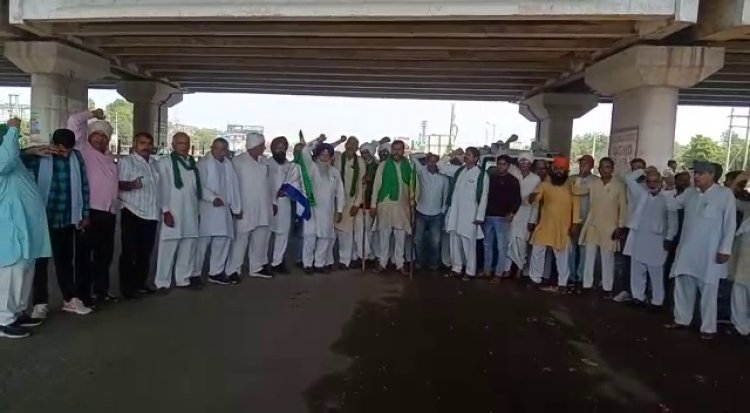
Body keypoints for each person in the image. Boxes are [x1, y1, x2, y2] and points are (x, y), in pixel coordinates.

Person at [22, 128, 92, 316]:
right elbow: (12, 160)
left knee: (65, 261)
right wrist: (31, 151)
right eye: (61, 150)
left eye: (68, 150)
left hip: (67, 217)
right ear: (53, 144)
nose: (65, 154)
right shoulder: (40, 156)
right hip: (43, 218)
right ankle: (40, 304)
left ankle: (70, 299)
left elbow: (84, 185)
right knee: (40, 263)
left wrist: (85, 213)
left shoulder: (77, 157)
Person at [668, 161, 736, 340]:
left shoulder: (724, 194)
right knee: (683, 283)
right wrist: (668, 188)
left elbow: (730, 223)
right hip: (687, 249)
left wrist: (725, 249)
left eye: (701, 173)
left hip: (710, 251)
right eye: (695, 173)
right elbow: (671, 205)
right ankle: (681, 319)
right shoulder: (690, 193)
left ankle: (708, 328)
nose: (696, 176)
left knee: (708, 289)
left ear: (711, 175)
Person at [0, 119, 52, 338]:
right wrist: (13, 129)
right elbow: (4, 160)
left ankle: (18, 312)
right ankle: (3, 320)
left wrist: (29, 151)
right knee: (10, 274)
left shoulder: (11, 159)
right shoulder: (3, 160)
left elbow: (12, 156)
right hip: (11, 227)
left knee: (25, 271)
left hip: (26, 227)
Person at [67, 109, 118, 304]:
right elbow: (73, 121)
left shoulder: (109, 157)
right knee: (84, 256)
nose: (100, 139)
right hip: (89, 212)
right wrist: (93, 114)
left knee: (104, 256)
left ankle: (101, 291)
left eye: (104, 136)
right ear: (89, 136)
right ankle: (83, 295)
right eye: (96, 135)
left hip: (109, 212)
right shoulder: (82, 149)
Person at [623, 168, 678, 308]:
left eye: (655, 181)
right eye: (649, 181)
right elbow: (629, 179)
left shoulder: (668, 198)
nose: (652, 184)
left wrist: (669, 238)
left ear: (661, 181)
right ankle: (638, 297)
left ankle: (657, 302)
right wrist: (643, 170)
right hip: (640, 236)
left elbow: (673, 221)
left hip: (658, 240)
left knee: (656, 272)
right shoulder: (641, 194)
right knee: (637, 270)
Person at [154, 132, 202, 291]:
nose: (184, 146)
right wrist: (165, 210)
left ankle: (183, 279)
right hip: (173, 211)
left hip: (191, 211)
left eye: (186, 143)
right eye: (180, 143)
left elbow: (196, 189)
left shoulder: (192, 164)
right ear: (173, 145)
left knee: (188, 246)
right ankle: (162, 282)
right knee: (168, 247)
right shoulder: (165, 162)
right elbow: (161, 187)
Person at [575, 157, 628, 296]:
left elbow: (623, 207)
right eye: (602, 167)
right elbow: (576, 190)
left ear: (612, 169)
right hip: (593, 225)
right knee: (589, 257)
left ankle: (607, 288)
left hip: (610, 226)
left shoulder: (619, 185)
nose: (605, 170)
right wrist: (581, 175)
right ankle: (587, 285)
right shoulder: (594, 183)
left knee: (607, 259)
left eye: (608, 167)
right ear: (598, 169)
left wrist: (620, 226)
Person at [226, 132, 276, 279]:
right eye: (261, 145)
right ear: (254, 145)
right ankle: (233, 269)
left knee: (261, 239)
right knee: (240, 240)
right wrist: (235, 207)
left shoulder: (264, 161)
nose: (263, 148)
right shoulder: (238, 161)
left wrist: (273, 202)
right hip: (244, 207)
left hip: (264, 207)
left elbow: (270, 184)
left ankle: (257, 267)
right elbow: (232, 186)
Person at [117, 132, 160, 300]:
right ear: (135, 144)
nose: (146, 146)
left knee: (145, 252)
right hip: (132, 211)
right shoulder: (126, 162)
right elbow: (117, 184)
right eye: (142, 143)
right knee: (129, 252)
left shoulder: (154, 163)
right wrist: (132, 185)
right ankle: (127, 288)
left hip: (151, 213)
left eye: (149, 143)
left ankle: (140, 283)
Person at [528, 157, 581, 291]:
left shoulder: (572, 185)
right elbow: (536, 196)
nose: (558, 171)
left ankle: (562, 283)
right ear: (552, 169)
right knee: (537, 251)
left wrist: (575, 224)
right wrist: (532, 197)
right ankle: (535, 279)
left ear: (566, 171)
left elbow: (576, 206)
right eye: (556, 168)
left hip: (563, 227)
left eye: (561, 169)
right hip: (545, 225)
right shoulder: (545, 184)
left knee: (562, 256)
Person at [195, 138, 241, 285]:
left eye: (223, 149)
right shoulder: (203, 164)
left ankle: (216, 272)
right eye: (217, 148)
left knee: (222, 240)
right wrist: (212, 198)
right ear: (212, 148)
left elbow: (234, 187)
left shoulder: (228, 165)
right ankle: (194, 273)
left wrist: (236, 207)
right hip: (208, 209)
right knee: (202, 243)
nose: (220, 152)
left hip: (224, 209)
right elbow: (199, 185)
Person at [438, 147, 490, 280]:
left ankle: (470, 271)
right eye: (465, 154)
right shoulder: (459, 170)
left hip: (470, 215)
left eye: (469, 154)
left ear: (476, 158)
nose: (466, 156)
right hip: (455, 213)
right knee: (454, 241)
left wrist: (480, 216)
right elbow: (440, 166)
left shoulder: (481, 175)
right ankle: (456, 268)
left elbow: (484, 197)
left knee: (468, 244)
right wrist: (452, 155)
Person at [297, 136, 344, 273]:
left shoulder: (335, 172)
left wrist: (339, 210)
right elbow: (305, 151)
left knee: (325, 238)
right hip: (311, 209)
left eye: (327, 155)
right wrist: (317, 140)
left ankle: (319, 264)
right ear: (317, 155)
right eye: (322, 155)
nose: (325, 158)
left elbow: (340, 193)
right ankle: (307, 264)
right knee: (310, 238)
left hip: (328, 211)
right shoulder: (311, 168)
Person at [371, 140, 413, 274]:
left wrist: (413, 200)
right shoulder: (383, 165)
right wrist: (373, 204)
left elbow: (413, 185)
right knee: (384, 234)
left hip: (402, 206)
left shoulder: (408, 166)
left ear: (403, 151)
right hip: (385, 204)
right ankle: (382, 263)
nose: (396, 152)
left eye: (399, 149)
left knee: (400, 236)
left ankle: (400, 263)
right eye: (394, 149)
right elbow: (376, 185)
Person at [482, 154, 521, 280]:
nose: (500, 166)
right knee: (487, 245)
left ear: (508, 166)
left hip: (503, 218)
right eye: (499, 164)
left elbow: (517, 200)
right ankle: (487, 270)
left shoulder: (513, 181)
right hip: (488, 216)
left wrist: (512, 212)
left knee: (501, 247)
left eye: (503, 164)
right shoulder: (490, 178)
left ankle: (498, 273)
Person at [505, 152, 541, 278]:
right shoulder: (513, 174)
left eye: (526, 161)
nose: (523, 164)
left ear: (531, 163)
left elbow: (536, 202)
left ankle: (519, 268)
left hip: (527, 214)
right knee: (509, 240)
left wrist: (533, 220)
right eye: (521, 161)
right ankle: (507, 269)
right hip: (512, 212)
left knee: (521, 242)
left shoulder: (536, 179)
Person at [411, 153, 449, 272]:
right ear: (426, 162)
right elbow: (412, 157)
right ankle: (419, 262)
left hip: (436, 214)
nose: (432, 164)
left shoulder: (444, 178)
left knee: (435, 242)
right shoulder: (422, 172)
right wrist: (425, 154)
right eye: (430, 161)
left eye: (435, 161)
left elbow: (445, 195)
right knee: (417, 240)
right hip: (421, 212)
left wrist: (442, 211)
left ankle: (434, 264)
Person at [268, 136, 301, 273]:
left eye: (283, 148)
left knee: (282, 233)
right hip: (267, 203)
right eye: (278, 147)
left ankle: (277, 262)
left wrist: (288, 191)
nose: (280, 150)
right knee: (264, 234)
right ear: (272, 149)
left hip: (284, 203)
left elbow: (296, 183)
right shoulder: (266, 164)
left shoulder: (290, 166)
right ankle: (261, 262)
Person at [333, 136, 366, 269]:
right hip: (335, 200)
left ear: (357, 148)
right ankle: (327, 260)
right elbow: (324, 150)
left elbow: (361, 185)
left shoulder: (360, 162)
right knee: (333, 231)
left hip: (350, 201)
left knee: (346, 232)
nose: (351, 146)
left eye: (354, 144)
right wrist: (339, 141)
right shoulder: (337, 158)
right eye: (349, 143)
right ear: (345, 145)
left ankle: (344, 260)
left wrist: (357, 204)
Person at [568, 155, 599, 285]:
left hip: (588, 219)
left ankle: (581, 277)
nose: (583, 165)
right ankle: (570, 275)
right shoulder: (571, 179)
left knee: (584, 248)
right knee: (570, 247)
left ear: (592, 165)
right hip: (571, 219)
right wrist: (579, 177)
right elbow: (572, 192)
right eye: (582, 163)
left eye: (586, 163)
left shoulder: (596, 181)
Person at [729, 171, 750, 337]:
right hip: (743, 253)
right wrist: (745, 174)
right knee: (740, 286)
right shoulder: (747, 206)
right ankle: (740, 326)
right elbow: (732, 197)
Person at [359, 141, 380, 264]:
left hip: (372, 202)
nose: (364, 155)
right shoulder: (360, 164)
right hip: (361, 202)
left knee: (371, 231)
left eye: (366, 152)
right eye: (363, 153)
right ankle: (365, 255)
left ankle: (372, 256)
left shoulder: (376, 166)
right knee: (363, 230)